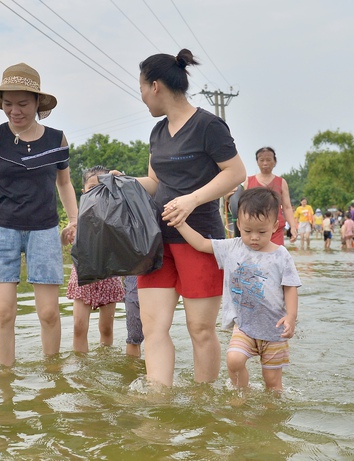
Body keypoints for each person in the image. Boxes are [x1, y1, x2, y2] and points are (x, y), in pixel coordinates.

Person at [130, 49, 246, 387]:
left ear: (155, 86)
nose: (141, 97)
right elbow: (154, 182)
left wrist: (191, 200)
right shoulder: (157, 132)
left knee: (200, 328)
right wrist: (118, 180)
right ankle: (158, 397)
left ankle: (203, 401)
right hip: (156, 242)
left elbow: (236, 172)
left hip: (200, 240)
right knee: (153, 326)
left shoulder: (208, 125)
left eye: (140, 88)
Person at [0, 63, 78, 367]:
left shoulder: (56, 140)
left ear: (38, 103)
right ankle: (6, 379)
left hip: (44, 230)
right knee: (4, 312)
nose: (15, 111)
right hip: (2, 230)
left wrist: (75, 220)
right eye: (8, 103)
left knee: (49, 312)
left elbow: (64, 184)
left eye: (23, 103)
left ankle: (53, 375)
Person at [174, 187, 301, 391]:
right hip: (244, 326)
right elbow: (201, 244)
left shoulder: (281, 255)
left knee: (272, 382)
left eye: (261, 232)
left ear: (275, 226)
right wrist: (180, 224)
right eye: (247, 231)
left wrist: (291, 316)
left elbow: (290, 287)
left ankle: (272, 415)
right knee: (234, 360)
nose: (254, 238)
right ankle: (242, 393)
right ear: (238, 225)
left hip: (274, 330)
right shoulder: (232, 248)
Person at [62, 166, 125, 353]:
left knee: (106, 328)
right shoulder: (77, 217)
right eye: (91, 188)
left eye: (102, 186)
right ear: (83, 192)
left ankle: (105, 360)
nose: (97, 191)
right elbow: (64, 243)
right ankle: (81, 366)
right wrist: (65, 235)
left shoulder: (116, 213)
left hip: (109, 276)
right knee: (79, 327)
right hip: (83, 276)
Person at [242, 146, 298, 245]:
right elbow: (243, 207)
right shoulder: (249, 181)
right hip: (254, 230)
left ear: (274, 162)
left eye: (268, 160)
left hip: (275, 229)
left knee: (275, 257)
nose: (265, 163)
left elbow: (287, 207)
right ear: (257, 162)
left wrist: (293, 227)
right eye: (262, 160)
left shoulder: (281, 182)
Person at [123, 276, 143, 357]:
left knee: (158, 333)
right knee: (134, 336)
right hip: (133, 275)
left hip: (159, 277)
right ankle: (132, 367)